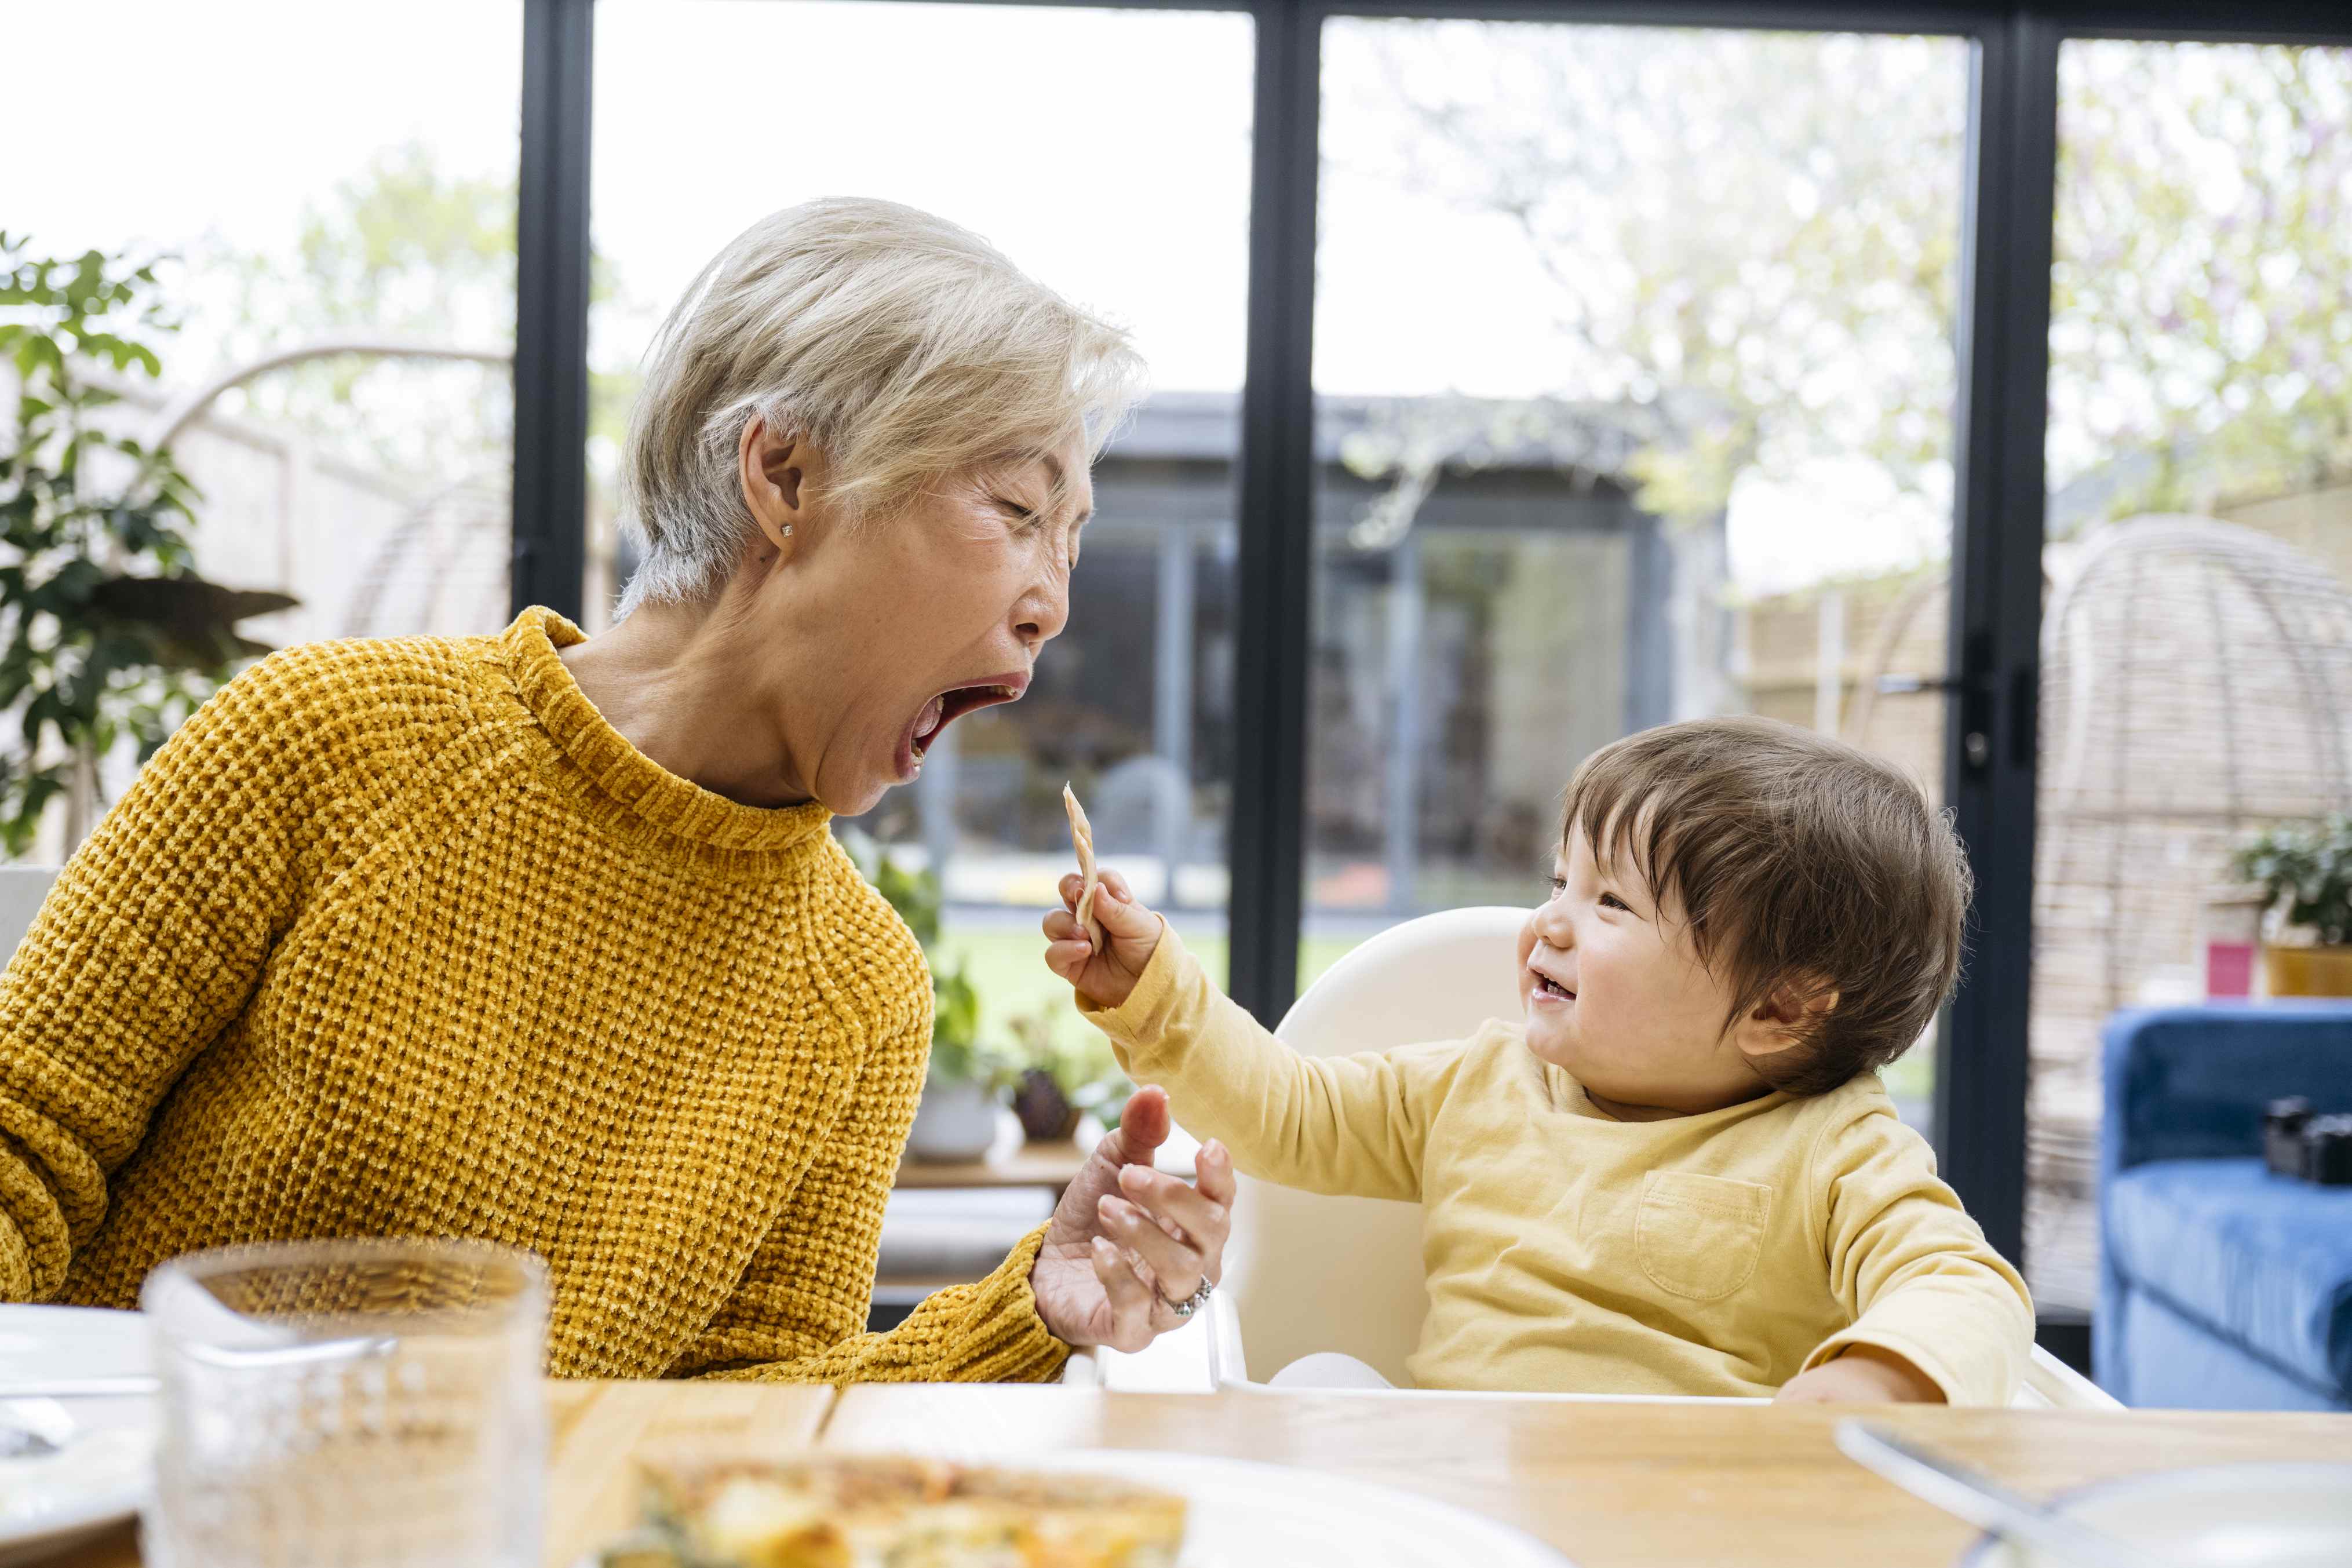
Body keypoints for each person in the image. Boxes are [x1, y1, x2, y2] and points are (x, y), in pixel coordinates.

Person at [0, 197, 1233, 1381]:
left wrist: (1028, 1315)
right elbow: (21, 1152)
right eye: (1018, 509)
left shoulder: (861, 995)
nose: (1053, 605)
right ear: (787, 476)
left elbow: (742, 1411)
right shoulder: (325, 746)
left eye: (1068, 542)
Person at [1046, 717, 2030, 1403]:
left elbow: (1965, 1287)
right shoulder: (1476, 1084)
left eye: (1611, 903)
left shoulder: (1837, 1147)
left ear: (1778, 1007)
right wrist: (1153, 990)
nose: (1550, 921)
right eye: (1561, 879)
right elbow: (1286, 1110)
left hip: (1682, 1528)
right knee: (1318, 1390)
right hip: (1456, 1501)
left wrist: (1873, 1383)